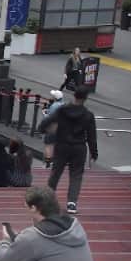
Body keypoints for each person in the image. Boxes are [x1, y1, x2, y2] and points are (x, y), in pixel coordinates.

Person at [38, 85, 98, 214]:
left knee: (56, 171)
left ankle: (48, 198)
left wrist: (42, 129)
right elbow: (92, 136)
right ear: (85, 98)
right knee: (76, 174)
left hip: (62, 145)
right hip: (79, 147)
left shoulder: (62, 110)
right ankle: (72, 203)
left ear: (74, 95)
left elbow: (47, 121)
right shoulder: (88, 115)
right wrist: (94, 152)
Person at [42, 90, 66, 166]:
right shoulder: (64, 105)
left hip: (52, 127)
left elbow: (49, 118)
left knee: (48, 143)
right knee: (56, 143)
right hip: (61, 128)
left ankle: (48, 161)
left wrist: (44, 113)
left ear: (55, 98)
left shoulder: (54, 106)